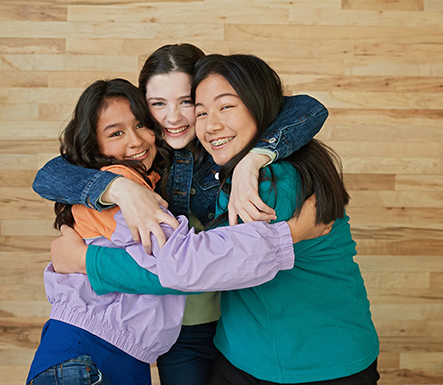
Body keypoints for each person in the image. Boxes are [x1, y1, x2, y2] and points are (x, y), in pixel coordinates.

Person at [55, 54, 380, 384]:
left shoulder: (274, 179)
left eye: (226, 107)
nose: (209, 125)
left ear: (259, 105)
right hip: (241, 353)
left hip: (314, 361)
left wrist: (86, 260)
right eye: (202, 112)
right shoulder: (158, 164)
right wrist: (122, 188)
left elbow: (193, 264)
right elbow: (56, 170)